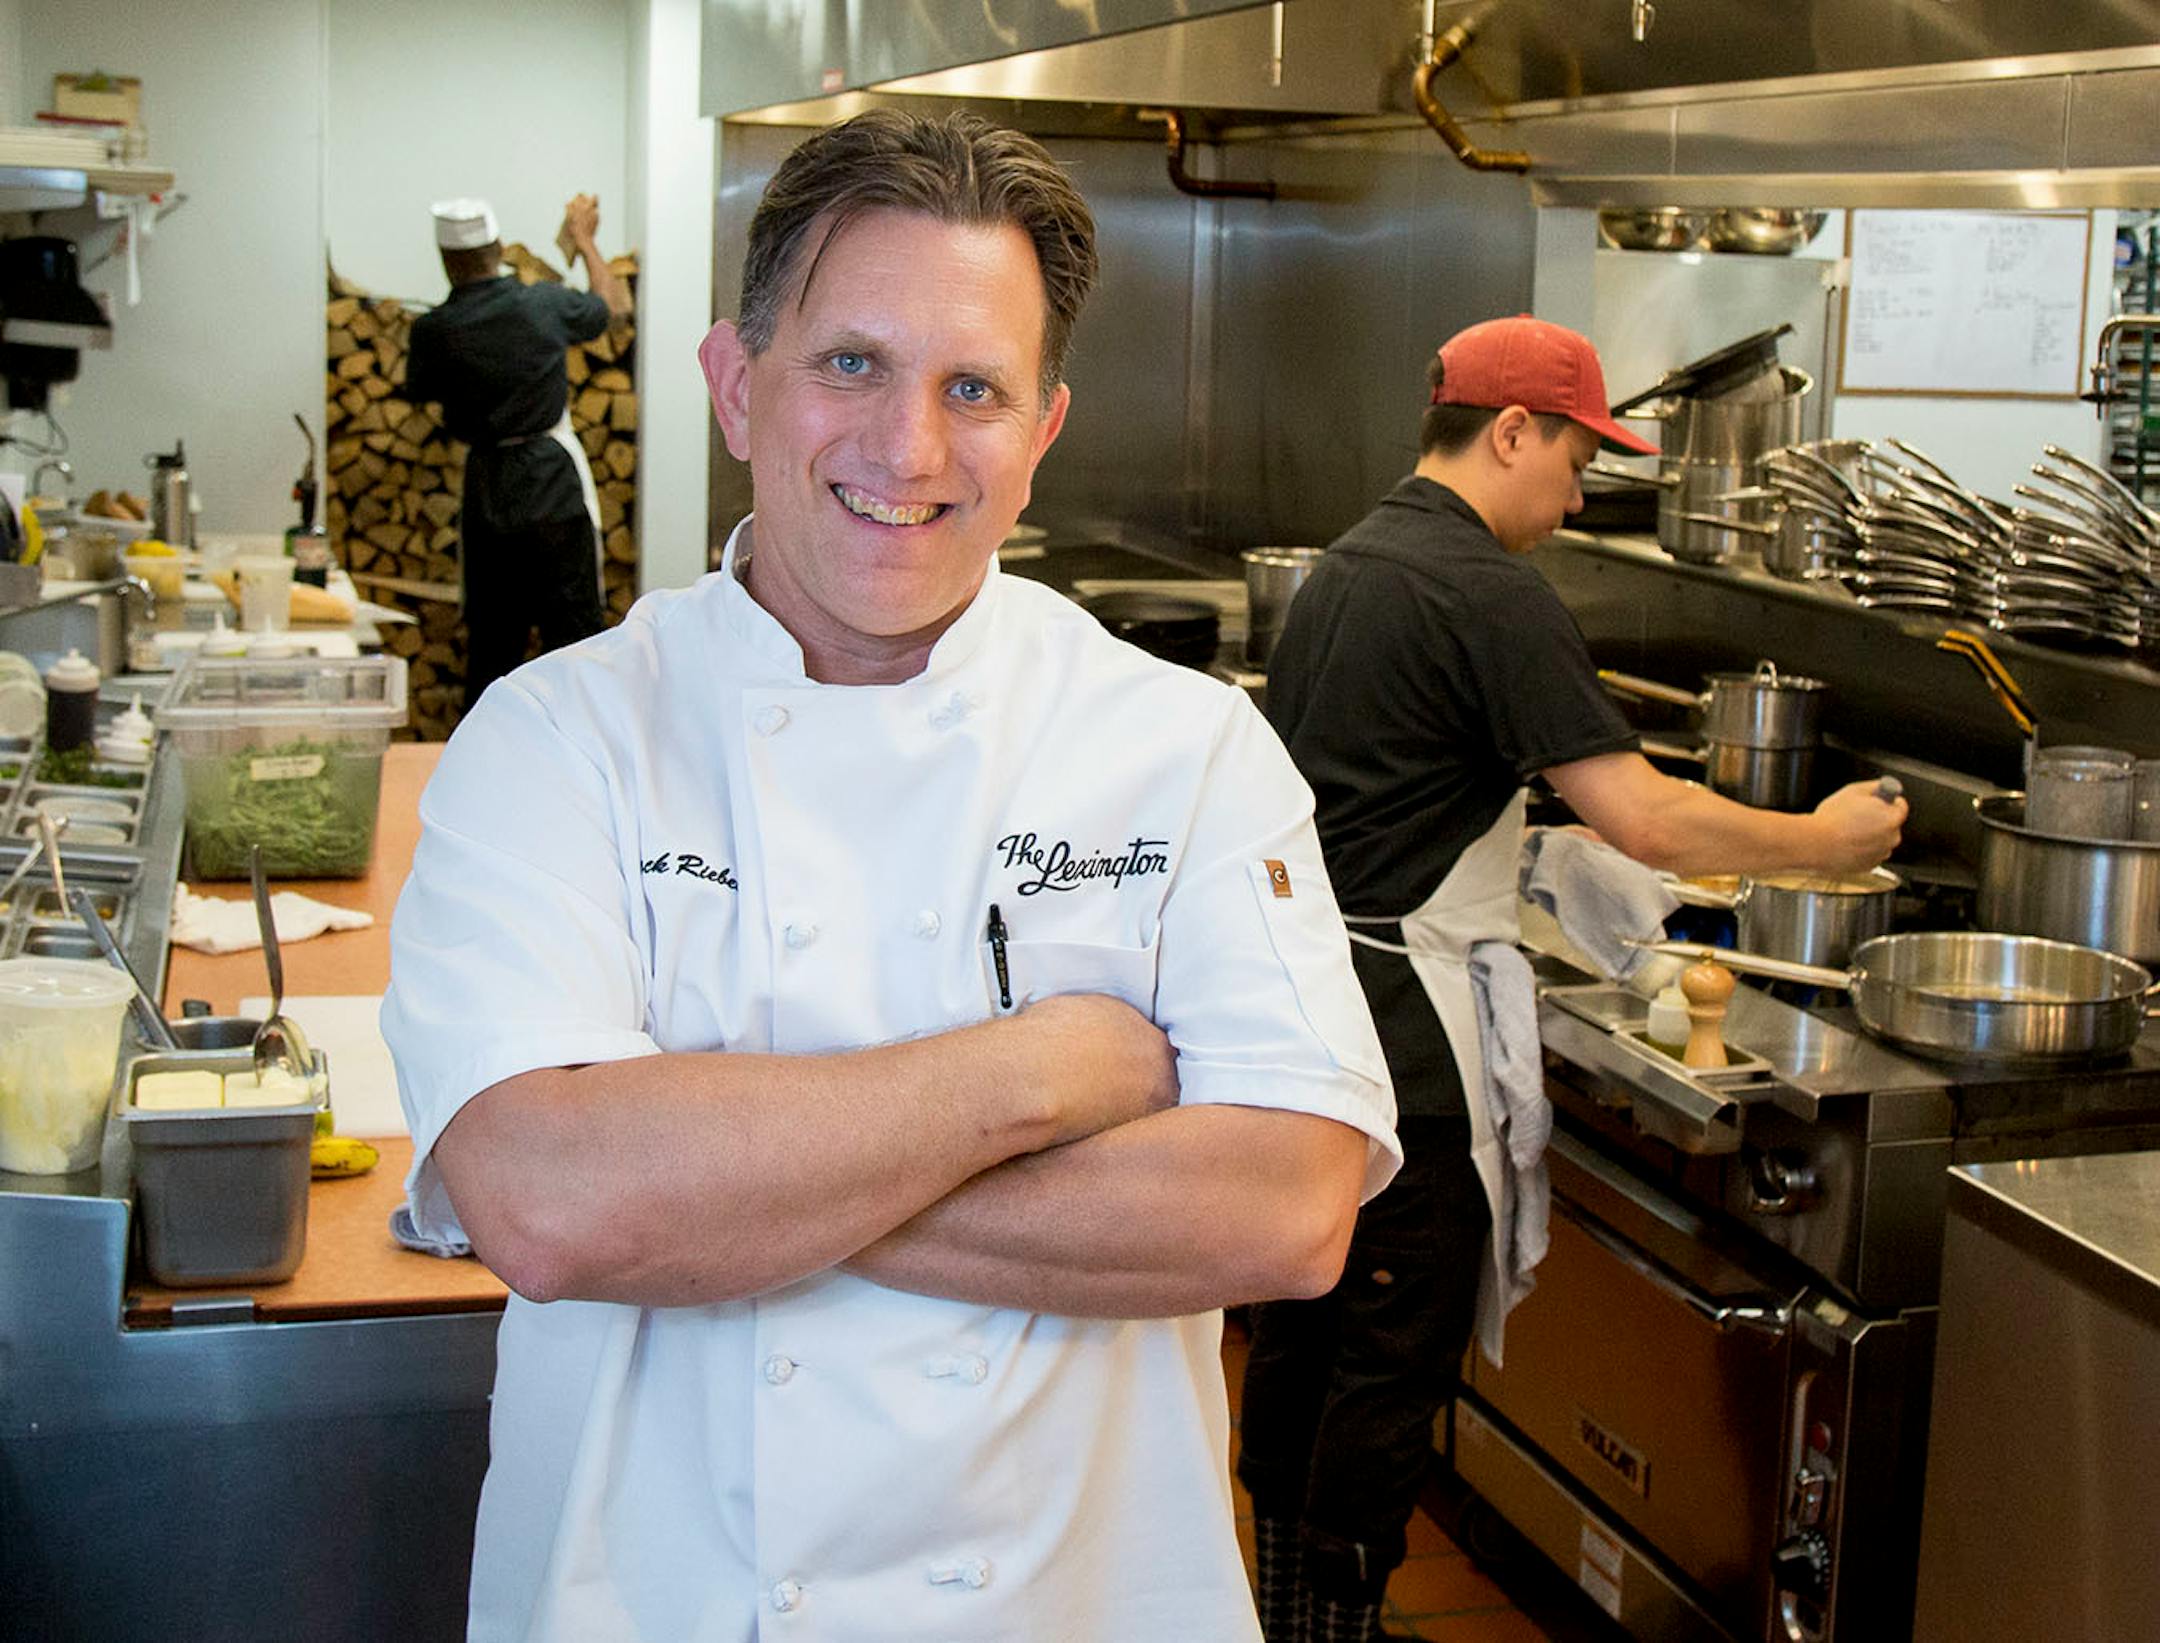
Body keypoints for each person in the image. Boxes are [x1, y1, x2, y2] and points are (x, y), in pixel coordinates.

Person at [382, 110, 1401, 1643]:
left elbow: (1287, 1210)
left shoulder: (1184, 749)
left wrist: (719, 1179)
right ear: (737, 385)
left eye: (972, 387)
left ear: (1042, 428)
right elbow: (547, 1198)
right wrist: (1043, 1071)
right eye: (850, 362)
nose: (909, 449)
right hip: (656, 1598)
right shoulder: (554, 737)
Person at [1234, 314, 1907, 1643]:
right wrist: (1824, 847)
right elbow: (1649, 817)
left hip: (1314, 1010)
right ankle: (1333, 1628)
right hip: (1408, 1052)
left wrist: (1530, 850)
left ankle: (1287, 1613)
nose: (1583, 488)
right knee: (1384, 1357)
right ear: (1512, 431)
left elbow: (1383, 790)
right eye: (1580, 455)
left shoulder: (1354, 559)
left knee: (1307, 1336)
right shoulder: (1489, 589)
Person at [405, 192, 633, 709]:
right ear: (500, 248)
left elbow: (422, 395)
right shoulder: (543, 304)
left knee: (492, 642)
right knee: (576, 638)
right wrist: (586, 241)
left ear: (447, 261)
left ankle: (486, 766)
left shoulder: (433, 331)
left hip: (486, 484)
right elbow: (614, 307)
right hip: (552, 477)